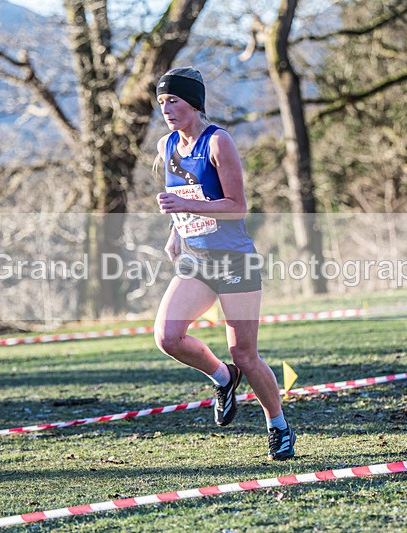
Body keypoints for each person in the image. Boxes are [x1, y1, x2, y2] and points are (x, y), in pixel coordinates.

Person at [152, 67, 295, 461]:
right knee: (167, 337)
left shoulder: (219, 142)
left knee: (246, 354)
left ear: (193, 103)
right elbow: (182, 196)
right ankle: (222, 376)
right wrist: (176, 233)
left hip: (234, 262)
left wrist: (186, 206)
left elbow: (236, 206)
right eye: (162, 102)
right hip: (196, 261)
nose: (166, 108)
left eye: (173, 101)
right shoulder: (166, 146)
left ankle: (278, 426)